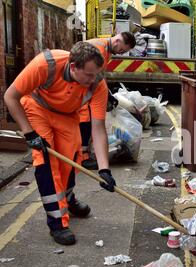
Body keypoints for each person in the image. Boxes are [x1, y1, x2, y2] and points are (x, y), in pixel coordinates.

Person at [4, 42, 117, 246]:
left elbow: (98, 128)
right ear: (73, 67)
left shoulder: (97, 83)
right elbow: (10, 97)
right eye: (89, 75)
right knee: (47, 163)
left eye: (97, 74)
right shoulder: (45, 64)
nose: (94, 80)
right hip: (37, 108)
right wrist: (29, 134)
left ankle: (68, 199)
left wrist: (104, 169)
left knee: (69, 162)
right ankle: (57, 223)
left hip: (67, 115)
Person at [80, 31, 136, 169]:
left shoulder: (106, 49)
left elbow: (100, 76)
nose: (121, 53)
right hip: (81, 88)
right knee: (85, 120)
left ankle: (85, 154)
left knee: (88, 121)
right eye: (122, 49)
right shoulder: (99, 49)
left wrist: (108, 94)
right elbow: (95, 75)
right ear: (117, 41)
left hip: (85, 87)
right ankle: (82, 157)